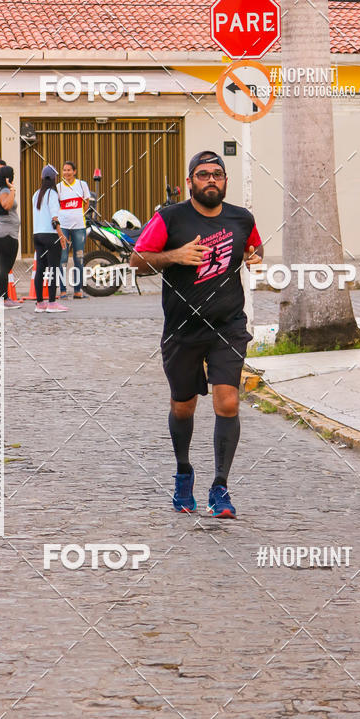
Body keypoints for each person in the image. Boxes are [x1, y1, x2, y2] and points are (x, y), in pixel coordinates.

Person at [130, 150, 263, 519]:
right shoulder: (169, 218)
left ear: (225, 181)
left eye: (217, 174)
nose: (211, 180)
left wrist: (256, 255)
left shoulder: (241, 218)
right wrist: (175, 256)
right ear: (190, 181)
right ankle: (184, 473)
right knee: (183, 406)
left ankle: (220, 487)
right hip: (182, 329)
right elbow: (137, 260)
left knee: (228, 402)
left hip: (228, 327)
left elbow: (254, 244)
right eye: (202, 174)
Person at [32, 165, 68, 313]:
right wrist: (61, 235)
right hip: (50, 235)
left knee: (40, 268)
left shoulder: (36, 194)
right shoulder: (52, 194)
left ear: (42, 177)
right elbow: (54, 219)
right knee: (53, 268)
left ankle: (40, 303)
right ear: (54, 178)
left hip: (37, 234)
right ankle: (52, 303)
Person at [56, 161, 90, 299]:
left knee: (79, 258)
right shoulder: (58, 187)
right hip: (63, 227)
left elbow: (86, 202)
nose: (66, 173)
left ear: (74, 171)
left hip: (79, 227)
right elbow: (55, 204)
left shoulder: (82, 185)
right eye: (64, 170)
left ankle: (78, 290)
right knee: (62, 259)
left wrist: (79, 214)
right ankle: (63, 291)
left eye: (69, 170)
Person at [0, 164, 21, 310]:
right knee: (4, 267)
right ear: (9, 177)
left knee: (0, 266)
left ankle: (0, 298)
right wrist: (12, 189)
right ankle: (4, 299)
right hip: (6, 234)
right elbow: (7, 205)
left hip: (0, 232)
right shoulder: (4, 191)